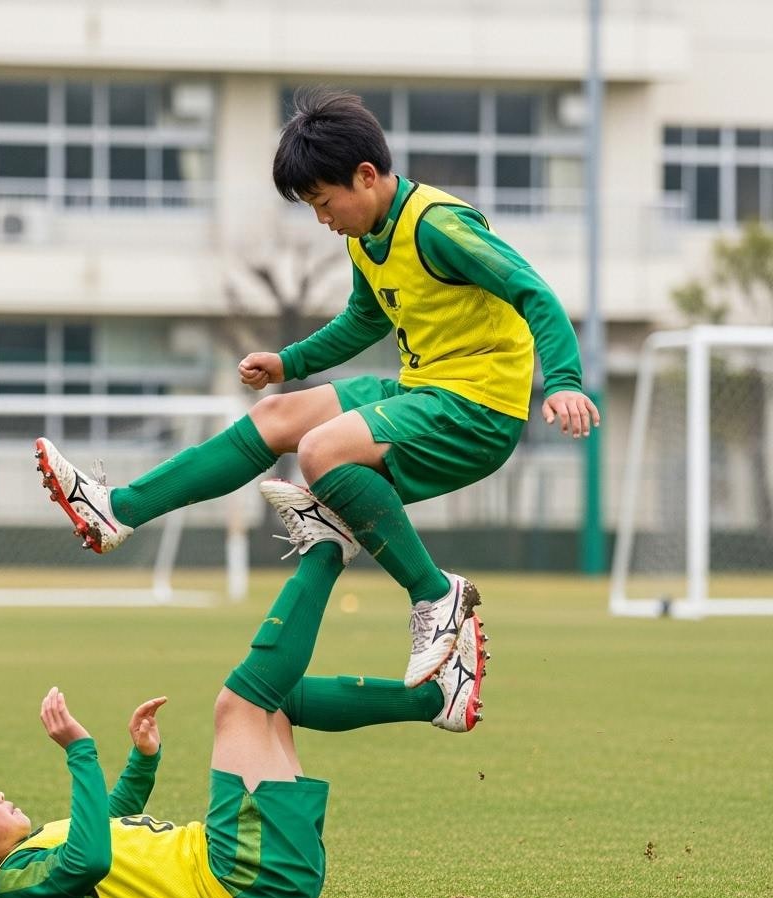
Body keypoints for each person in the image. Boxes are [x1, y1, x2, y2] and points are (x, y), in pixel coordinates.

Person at [35, 86, 580, 689]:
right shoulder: (366, 235)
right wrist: (287, 362)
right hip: (424, 390)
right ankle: (120, 512)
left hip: (480, 410)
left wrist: (563, 381)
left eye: (323, 202)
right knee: (279, 418)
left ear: (366, 176)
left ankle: (435, 596)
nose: (322, 220)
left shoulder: (439, 226)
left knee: (322, 452)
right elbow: (365, 319)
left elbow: (533, 290)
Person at [0, 491, 488, 898]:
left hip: (256, 869)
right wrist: (79, 750)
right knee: (240, 701)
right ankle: (326, 547)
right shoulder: (11, 891)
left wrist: (141, 762)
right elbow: (91, 857)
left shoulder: (34, 854)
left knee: (278, 701)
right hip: (244, 877)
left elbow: (104, 828)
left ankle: (435, 698)